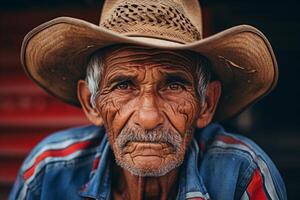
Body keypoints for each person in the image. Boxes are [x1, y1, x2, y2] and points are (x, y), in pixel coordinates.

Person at [10, 0, 287, 199]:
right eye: (124, 85)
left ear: (207, 104)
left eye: (174, 85)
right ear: (91, 103)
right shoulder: (49, 170)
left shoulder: (243, 174)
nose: (148, 117)